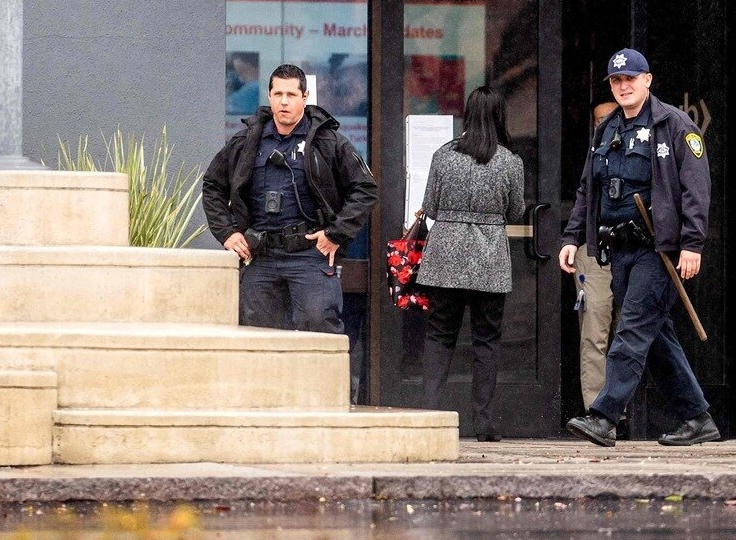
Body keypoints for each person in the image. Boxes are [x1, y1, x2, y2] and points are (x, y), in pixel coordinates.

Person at [559, 48, 719, 447]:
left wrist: (692, 243)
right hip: (619, 251)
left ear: (648, 80)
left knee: (630, 329)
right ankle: (698, 418)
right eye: (616, 80)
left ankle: (604, 415)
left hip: (658, 250)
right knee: (656, 336)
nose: (623, 85)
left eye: (630, 78)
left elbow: (695, 190)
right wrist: (572, 237)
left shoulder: (675, 126)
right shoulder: (607, 129)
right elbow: (588, 189)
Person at [203, 63, 377, 334]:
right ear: (269, 96)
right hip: (259, 256)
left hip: (308, 255)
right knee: (257, 339)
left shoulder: (327, 142)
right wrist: (226, 233)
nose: (284, 102)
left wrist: (336, 234)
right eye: (278, 94)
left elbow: (365, 189)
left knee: (318, 333)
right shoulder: (247, 141)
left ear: (305, 98)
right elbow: (213, 184)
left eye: (292, 95)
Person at [416, 86, 525, 442]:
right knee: (487, 341)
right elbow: (515, 211)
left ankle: (431, 412)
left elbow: (429, 208)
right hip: (489, 257)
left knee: (439, 335)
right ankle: (484, 422)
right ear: (499, 117)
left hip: (445, 255)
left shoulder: (443, 155)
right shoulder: (510, 161)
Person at [576, 101, 618, 413]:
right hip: (594, 251)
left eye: (611, 119)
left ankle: (621, 407)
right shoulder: (593, 155)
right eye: (599, 120)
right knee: (594, 333)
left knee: (633, 333)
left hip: (634, 251)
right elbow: (581, 199)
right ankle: (597, 411)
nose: (605, 125)